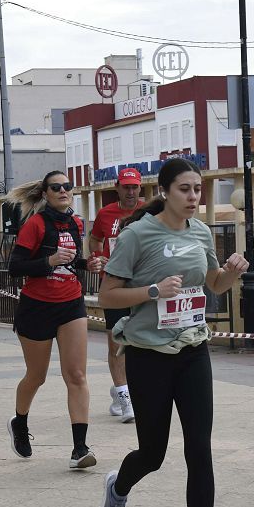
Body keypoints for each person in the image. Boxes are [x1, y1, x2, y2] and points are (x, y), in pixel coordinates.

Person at [98, 158, 249, 507]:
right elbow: (107, 296)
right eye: (185, 189)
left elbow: (212, 284)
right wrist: (153, 291)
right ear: (164, 192)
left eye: (198, 189)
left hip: (193, 350)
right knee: (153, 454)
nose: (193, 196)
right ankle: (119, 487)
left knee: (199, 450)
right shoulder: (137, 235)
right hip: (148, 355)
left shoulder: (200, 232)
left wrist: (231, 274)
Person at [6, 171, 103, 468]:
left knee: (77, 375)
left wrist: (87, 264)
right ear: (45, 194)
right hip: (37, 307)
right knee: (36, 376)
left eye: (67, 186)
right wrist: (48, 261)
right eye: (56, 187)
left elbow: (70, 261)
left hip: (70, 304)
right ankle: (20, 422)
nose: (63, 191)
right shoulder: (35, 224)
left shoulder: (75, 223)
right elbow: (15, 267)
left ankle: (80, 449)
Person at [88, 167, 144, 423]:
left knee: (142, 341)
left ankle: (129, 391)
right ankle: (124, 398)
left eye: (134, 187)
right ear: (118, 188)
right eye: (126, 187)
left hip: (142, 284)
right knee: (115, 342)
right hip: (113, 285)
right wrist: (99, 258)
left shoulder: (150, 211)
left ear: (140, 188)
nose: (130, 192)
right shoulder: (105, 213)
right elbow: (95, 239)